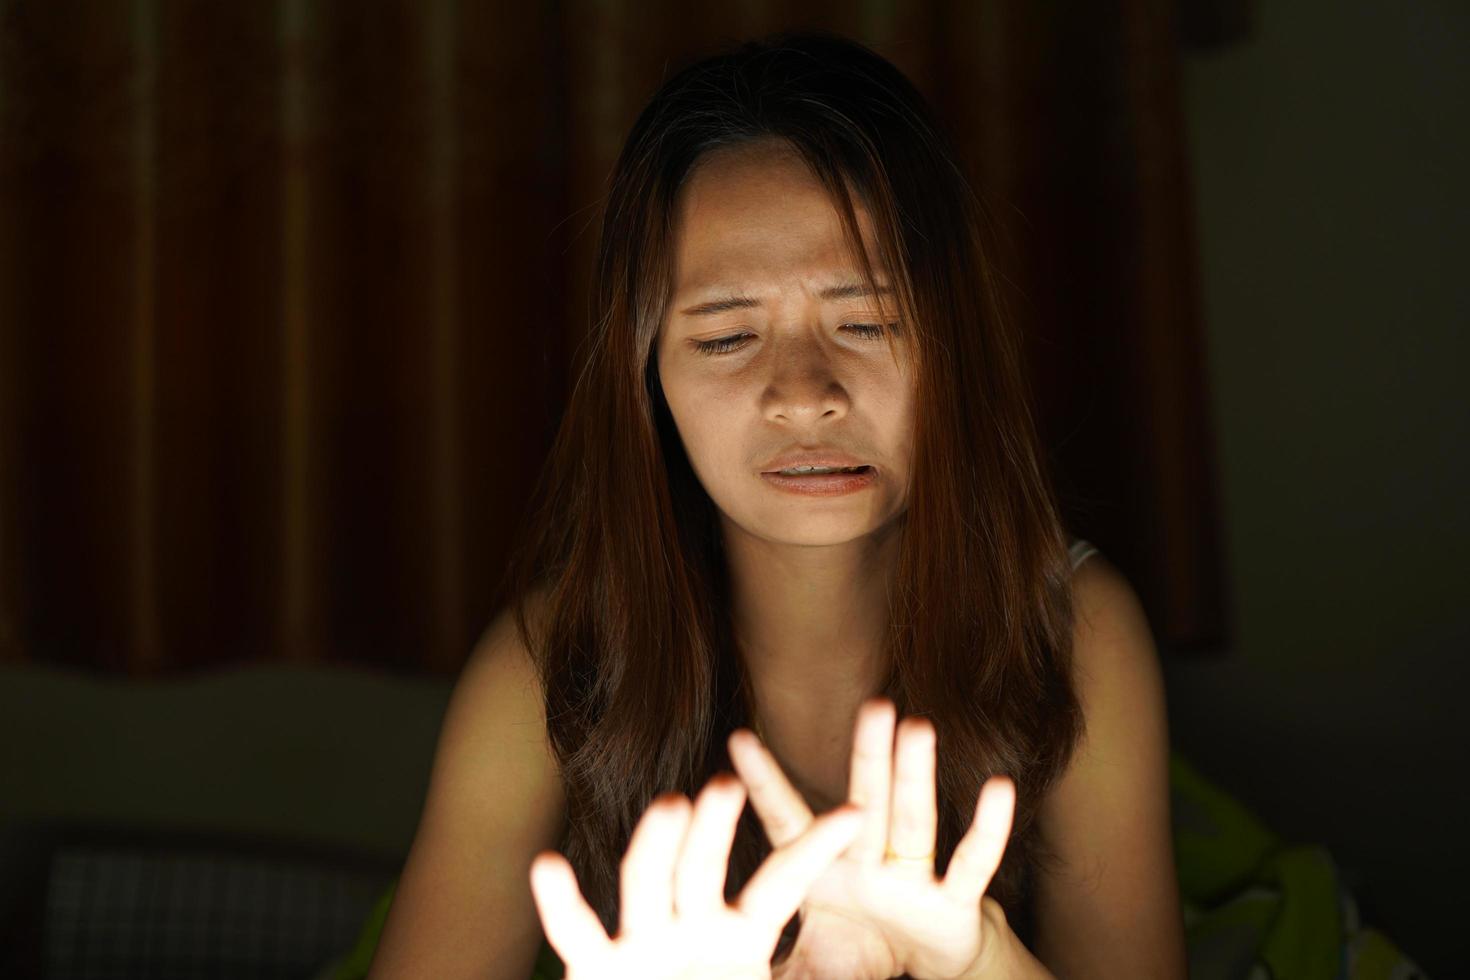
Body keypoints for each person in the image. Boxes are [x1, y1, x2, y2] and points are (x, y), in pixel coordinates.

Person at [368, 29, 1186, 980]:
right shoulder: (548, 667)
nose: (804, 394)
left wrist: (983, 965)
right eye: (725, 339)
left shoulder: (1077, 632)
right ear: (647, 380)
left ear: (956, 348)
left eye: (868, 322)